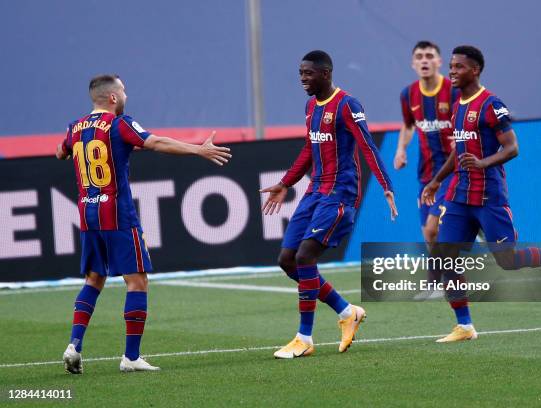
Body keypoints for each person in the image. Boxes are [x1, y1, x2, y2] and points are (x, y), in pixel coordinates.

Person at [57, 74, 232, 373]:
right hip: (118, 214)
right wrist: (198, 150)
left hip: (88, 214)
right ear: (113, 98)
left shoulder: (76, 127)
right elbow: (156, 142)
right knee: (137, 281)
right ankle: (131, 357)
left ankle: (74, 345)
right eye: (123, 91)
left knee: (94, 279)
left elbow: (60, 152)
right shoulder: (120, 124)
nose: (126, 96)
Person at [421, 46, 541, 343]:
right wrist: (436, 180)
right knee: (446, 255)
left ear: (474, 70)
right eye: (450, 66)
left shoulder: (491, 104)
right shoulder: (458, 102)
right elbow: (458, 149)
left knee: (508, 260)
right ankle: (464, 325)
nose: (451, 71)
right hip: (460, 195)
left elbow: (512, 147)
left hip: (489, 196)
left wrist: (482, 163)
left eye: (458, 67)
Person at [260, 50, 398, 359]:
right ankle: (347, 311)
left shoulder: (348, 105)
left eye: (308, 74)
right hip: (314, 191)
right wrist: (285, 183)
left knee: (306, 255)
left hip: (339, 194)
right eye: (300, 73)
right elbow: (309, 149)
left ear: (326, 74)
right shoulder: (311, 106)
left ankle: (304, 338)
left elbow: (367, 146)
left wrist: (386, 187)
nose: (302, 79)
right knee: (287, 259)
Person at [395, 41, 459, 300]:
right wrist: (400, 150)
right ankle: (436, 281)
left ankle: (439, 282)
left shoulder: (453, 91)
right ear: (413, 63)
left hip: (452, 170)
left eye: (429, 56)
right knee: (428, 233)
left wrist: (461, 138)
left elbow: (466, 119)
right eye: (419, 56)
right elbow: (408, 125)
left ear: (439, 62)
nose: (424, 60)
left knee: (433, 229)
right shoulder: (408, 94)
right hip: (426, 173)